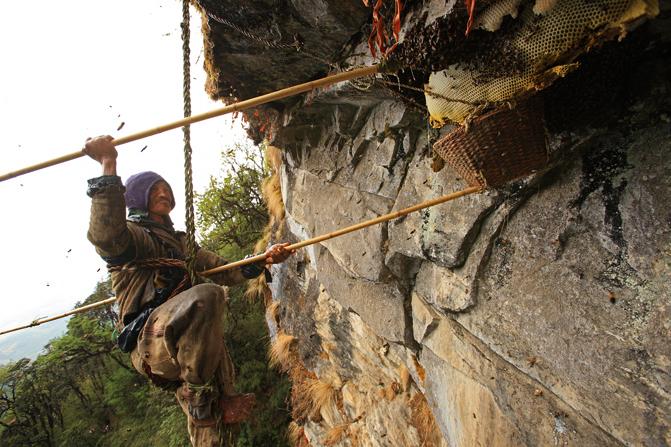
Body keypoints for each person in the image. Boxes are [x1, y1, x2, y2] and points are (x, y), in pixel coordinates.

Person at [83, 135, 294, 446]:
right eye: (155, 190)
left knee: (217, 422)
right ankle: (197, 395)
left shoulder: (182, 244)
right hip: (150, 342)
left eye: (166, 188)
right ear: (139, 198)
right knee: (208, 295)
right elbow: (107, 236)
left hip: (190, 346)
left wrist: (265, 259)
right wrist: (108, 164)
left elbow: (227, 269)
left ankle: (204, 404)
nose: (164, 192)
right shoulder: (135, 237)